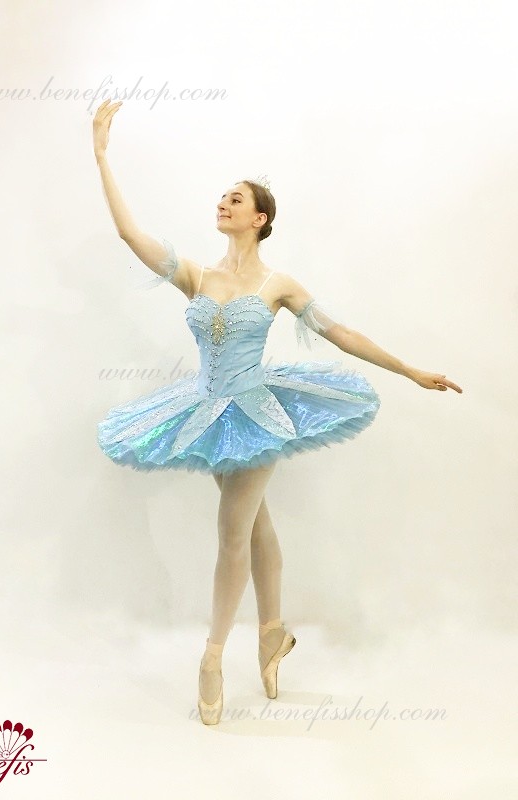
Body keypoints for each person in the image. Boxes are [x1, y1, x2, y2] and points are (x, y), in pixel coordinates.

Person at [92, 98, 463, 725]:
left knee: (232, 532)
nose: (223, 203)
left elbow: (340, 333)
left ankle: (212, 657)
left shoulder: (278, 285)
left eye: (235, 199)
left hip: (256, 413)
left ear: (260, 218)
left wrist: (409, 369)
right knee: (256, 523)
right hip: (205, 412)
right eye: (221, 196)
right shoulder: (196, 275)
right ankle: (272, 634)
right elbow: (131, 236)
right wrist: (102, 155)